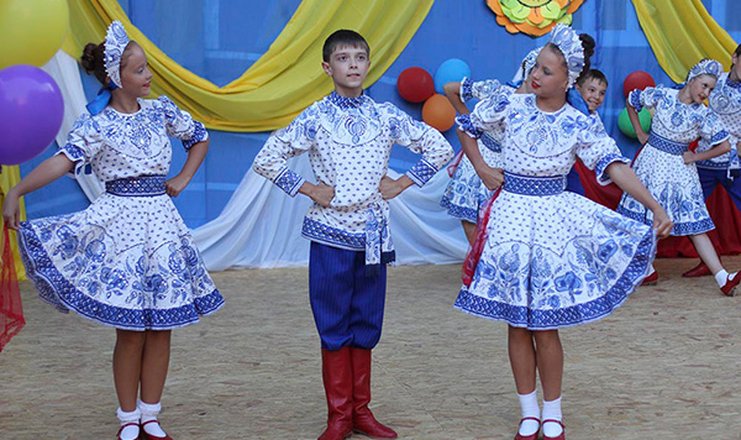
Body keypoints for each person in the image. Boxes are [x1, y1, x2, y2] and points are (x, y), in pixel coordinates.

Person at [2, 21, 223, 440]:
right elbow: (63, 161)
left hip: (161, 225)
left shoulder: (160, 111)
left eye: (146, 68)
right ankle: (127, 418)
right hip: (120, 226)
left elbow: (200, 138)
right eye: (139, 70)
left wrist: (183, 178)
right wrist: (17, 189)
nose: (148, 76)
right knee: (132, 329)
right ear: (115, 78)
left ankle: (151, 414)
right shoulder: (97, 125)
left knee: (161, 325)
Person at [454, 24, 672, 440]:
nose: (536, 76)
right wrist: (482, 168)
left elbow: (614, 166)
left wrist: (654, 205)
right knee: (517, 322)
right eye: (536, 66)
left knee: (545, 324)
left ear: (568, 80)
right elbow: (467, 127)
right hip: (511, 217)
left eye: (548, 71)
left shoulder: (578, 124)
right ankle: (527, 411)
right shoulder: (510, 104)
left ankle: (552, 410)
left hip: (554, 220)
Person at [252, 29, 453, 440]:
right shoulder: (314, 118)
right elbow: (267, 158)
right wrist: (308, 189)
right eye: (343, 58)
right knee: (333, 321)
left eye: (360, 57)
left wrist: (400, 183)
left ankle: (362, 411)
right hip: (330, 233)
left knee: (366, 321)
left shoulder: (385, 116)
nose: (354, 64)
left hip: (374, 235)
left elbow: (439, 148)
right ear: (327, 67)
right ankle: (338, 416)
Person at [617, 58, 739, 295]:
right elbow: (632, 101)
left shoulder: (704, 115)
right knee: (641, 217)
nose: (706, 93)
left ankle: (723, 277)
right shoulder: (663, 95)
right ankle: (646, 268)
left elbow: (725, 146)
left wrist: (694, 157)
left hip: (680, 173)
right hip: (651, 164)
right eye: (704, 85)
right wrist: (641, 133)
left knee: (695, 225)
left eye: (711, 89)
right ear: (692, 79)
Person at [441, 47, 539, 244]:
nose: (539, 75)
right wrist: (467, 117)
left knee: (500, 223)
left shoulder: (543, 110)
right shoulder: (497, 91)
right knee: (469, 217)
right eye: (536, 68)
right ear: (527, 69)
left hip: (506, 168)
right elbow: (449, 88)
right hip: (477, 158)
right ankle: (478, 265)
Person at [682, 44, 741, 278]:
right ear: (735, 57)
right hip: (704, 158)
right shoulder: (714, 80)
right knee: (687, 208)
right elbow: (692, 100)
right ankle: (710, 260)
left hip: (734, 163)